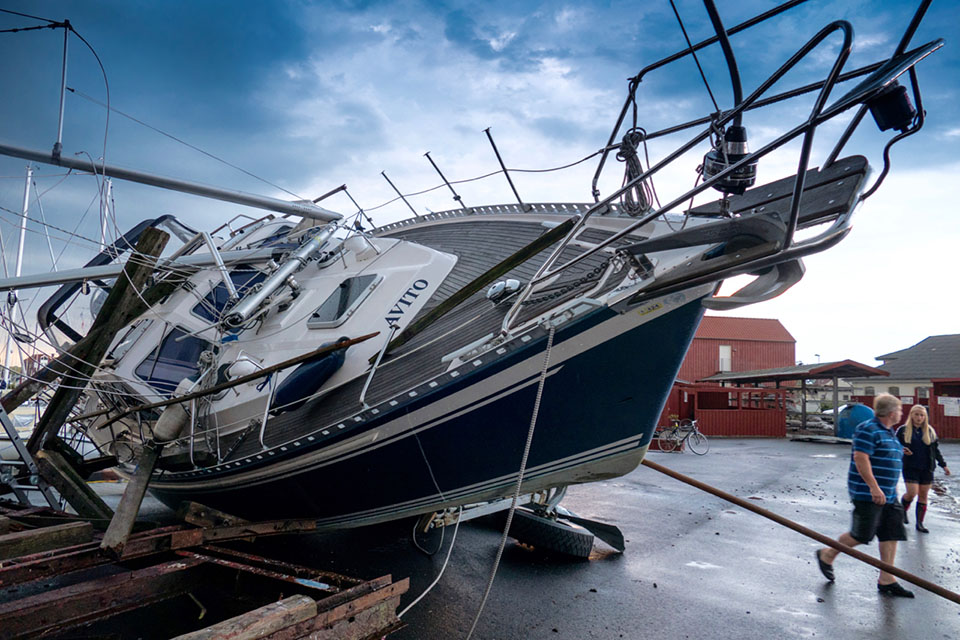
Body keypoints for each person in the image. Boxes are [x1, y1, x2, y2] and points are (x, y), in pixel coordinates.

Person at [815, 393, 913, 597]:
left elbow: (883, 456)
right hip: (868, 493)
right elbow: (861, 458)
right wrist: (874, 487)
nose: (902, 414)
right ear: (892, 412)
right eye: (901, 411)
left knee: (891, 534)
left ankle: (887, 579)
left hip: (889, 495)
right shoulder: (868, 429)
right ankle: (827, 554)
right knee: (861, 534)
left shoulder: (889, 432)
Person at [897, 405, 951, 533]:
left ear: (925, 417)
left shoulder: (930, 431)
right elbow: (893, 445)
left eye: (922, 415)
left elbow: (935, 450)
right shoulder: (903, 431)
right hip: (910, 466)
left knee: (923, 495)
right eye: (916, 414)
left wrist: (943, 465)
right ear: (911, 415)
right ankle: (901, 511)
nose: (919, 418)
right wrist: (901, 450)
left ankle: (919, 523)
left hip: (927, 468)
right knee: (911, 493)